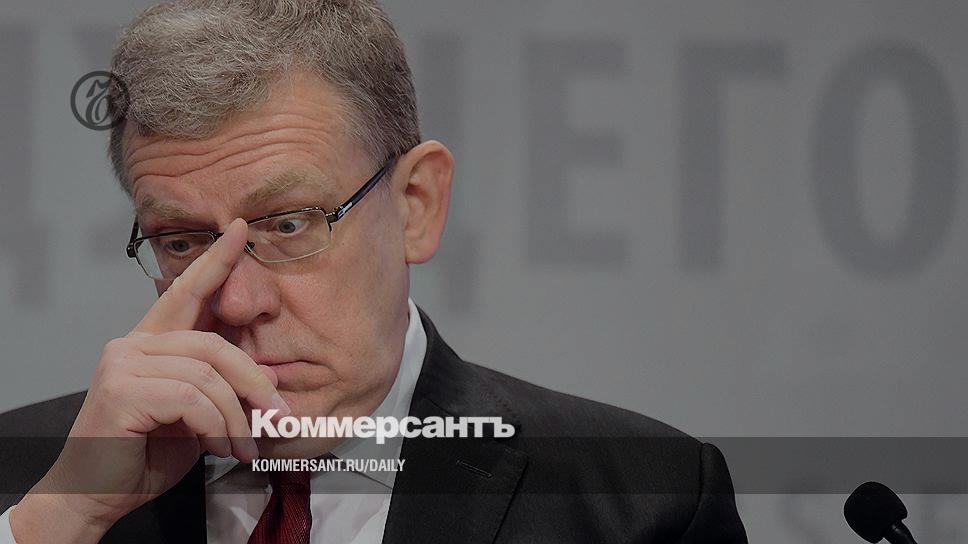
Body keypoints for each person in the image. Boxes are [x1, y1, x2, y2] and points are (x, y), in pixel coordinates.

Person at [0, 1, 747, 542]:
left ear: (417, 203)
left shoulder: (641, 505)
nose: (238, 300)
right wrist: (58, 523)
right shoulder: (28, 484)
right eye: (184, 241)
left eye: (289, 223)